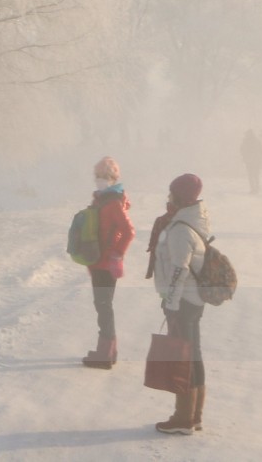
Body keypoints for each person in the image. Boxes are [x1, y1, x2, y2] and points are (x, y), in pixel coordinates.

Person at [148, 172, 211, 435]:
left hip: (183, 303)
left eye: (171, 192)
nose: (168, 197)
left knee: (184, 358)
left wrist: (170, 304)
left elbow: (178, 269)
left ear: (180, 196)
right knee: (193, 356)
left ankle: (183, 418)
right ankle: (193, 416)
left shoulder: (179, 228)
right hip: (192, 301)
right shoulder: (194, 220)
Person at [80, 156, 136, 369]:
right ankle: (108, 350)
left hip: (105, 263)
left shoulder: (112, 202)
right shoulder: (103, 199)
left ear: (113, 178)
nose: (99, 180)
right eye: (97, 176)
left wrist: (116, 254)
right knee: (103, 305)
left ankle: (105, 353)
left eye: (104, 177)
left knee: (103, 305)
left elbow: (129, 231)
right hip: (99, 261)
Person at [239, 129, 262, 196]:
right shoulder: (257, 140)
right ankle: (257, 187)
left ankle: (253, 188)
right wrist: (261, 157)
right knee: (256, 174)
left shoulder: (245, 141)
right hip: (257, 160)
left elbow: (242, 149)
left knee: (250, 175)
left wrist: (245, 156)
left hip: (249, 160)